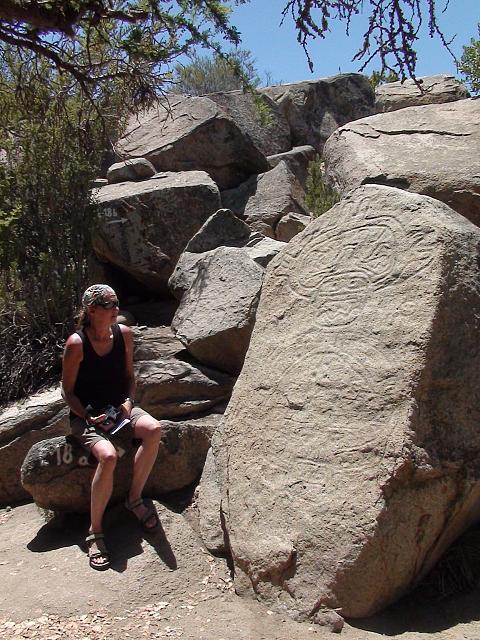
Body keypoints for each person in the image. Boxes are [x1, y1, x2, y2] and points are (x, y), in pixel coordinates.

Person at [62, 284, 162, 570]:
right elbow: (67, 392)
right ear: (92, 310)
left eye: (117, 303)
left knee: (153, 429)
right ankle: (95, 532)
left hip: (119, 408)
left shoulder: (124, 335)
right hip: (87, 415)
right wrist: (87, 416)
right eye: (109, 305)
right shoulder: (77, 344)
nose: (116, 309)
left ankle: (134, 499)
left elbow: (130, 378)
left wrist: (128, 405)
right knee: (107, 457)